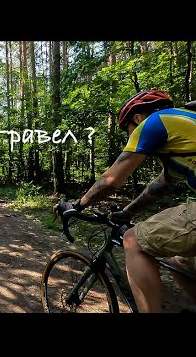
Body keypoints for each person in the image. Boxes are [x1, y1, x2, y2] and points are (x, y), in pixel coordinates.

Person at [54, 89, 196, 313]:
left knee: (132, 241)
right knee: (179, 262)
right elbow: (160, 186)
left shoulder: (155, 122)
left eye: (128, 131)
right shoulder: (183, 131)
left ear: (137, 118)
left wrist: (76, 205)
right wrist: (128, 212)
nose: (131, 137)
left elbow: (110, 181)